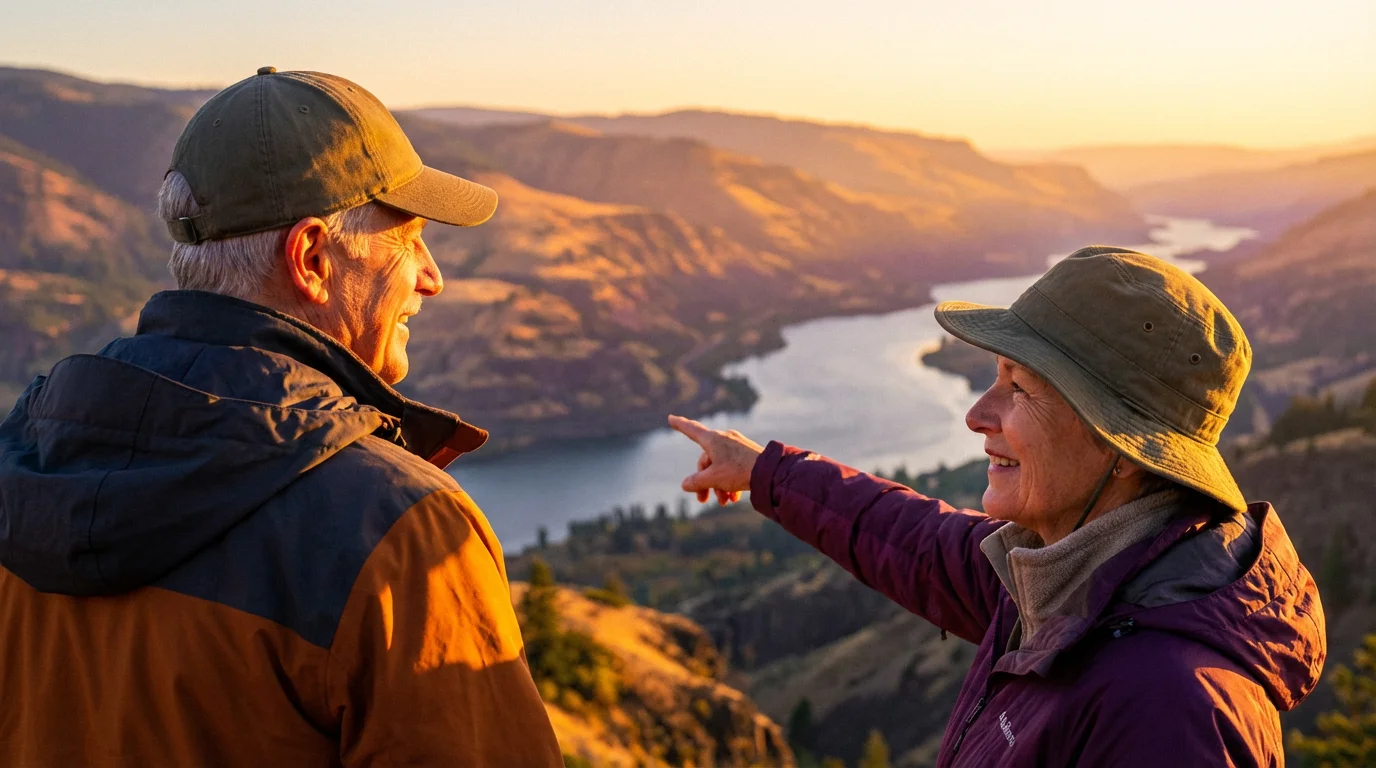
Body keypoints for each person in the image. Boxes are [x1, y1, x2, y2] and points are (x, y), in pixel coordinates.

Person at [0, 68, 562, 766]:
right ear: (313, 258)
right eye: (409, 236)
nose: (430, 274)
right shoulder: (398, 530)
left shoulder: (23, 469)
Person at [669, 246, 1326, 766]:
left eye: (1021, 387)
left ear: (1125, 448)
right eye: (994, 378)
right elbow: (910, 540)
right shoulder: (1061, 574)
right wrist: (764, 472)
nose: (977, 413)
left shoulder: (1168, 708)